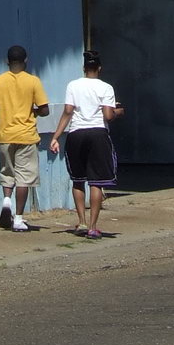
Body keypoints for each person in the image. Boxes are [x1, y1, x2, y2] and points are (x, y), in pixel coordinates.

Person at [49, 50, 123, 238]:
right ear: (99, 68)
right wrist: (118, 112)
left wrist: (56, 136)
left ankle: (81, 222)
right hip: (98, 133)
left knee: (78, 179)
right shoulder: (106, 88)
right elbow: (108, 115)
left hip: (76, 133)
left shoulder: (73, 85)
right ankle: (92, 227)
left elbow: (67, 111)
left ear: (83, 68)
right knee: (96, 182)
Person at [0, 44, 50, 232]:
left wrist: (2, 106)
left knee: (7, 173)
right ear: (26, 60)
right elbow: (45, 110)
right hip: (27, 135)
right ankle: (19, 219)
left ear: (7, 61)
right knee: (24, 178)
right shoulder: (33, 81)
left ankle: (6, 202)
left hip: (5, 135)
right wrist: (34, 110)